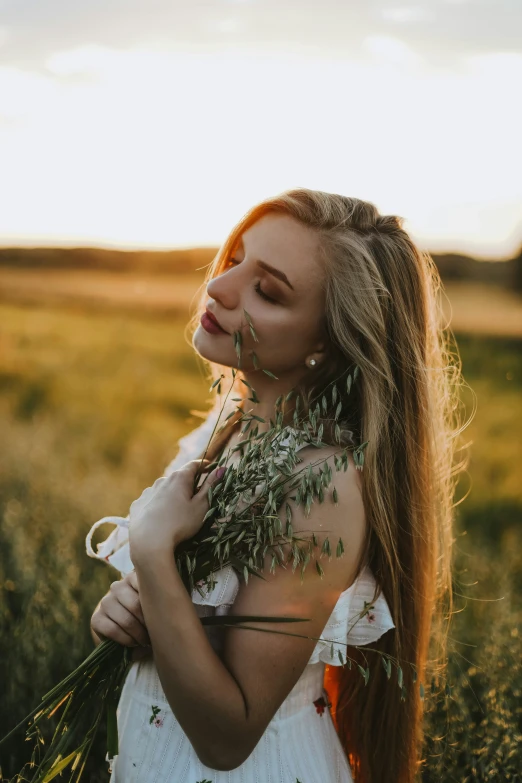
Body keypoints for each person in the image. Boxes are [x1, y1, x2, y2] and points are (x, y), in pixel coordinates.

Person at [87, 189, 462, 783]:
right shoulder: (229, 425)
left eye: (268, 290)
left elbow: (228, 735)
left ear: (327, 343)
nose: (219, 287)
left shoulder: (322, 489)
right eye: (235, 257)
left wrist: (155, 557)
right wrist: (131, 617)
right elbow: (189, 627)